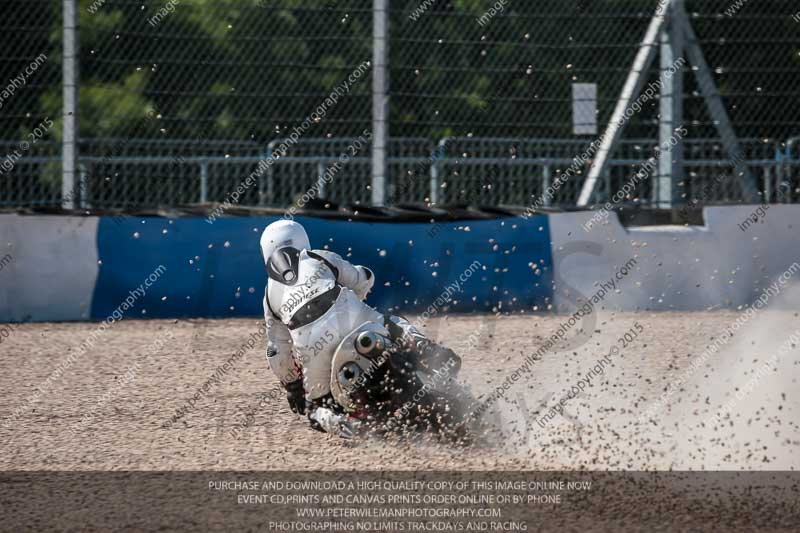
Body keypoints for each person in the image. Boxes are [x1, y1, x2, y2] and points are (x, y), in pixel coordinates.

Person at [260, 219, 457, 438]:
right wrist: (360, 294)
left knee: (315, 410)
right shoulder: (317, 256)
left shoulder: (269, 298)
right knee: (391, 323)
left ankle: (348, 426)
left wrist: (293, 387)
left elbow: (276, 352)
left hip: (313, 348)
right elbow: (363, 278)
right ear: (301, 240)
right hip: (350, 316)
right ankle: (423, 347)